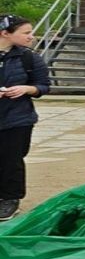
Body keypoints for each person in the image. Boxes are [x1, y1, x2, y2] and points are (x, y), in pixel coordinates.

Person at [0, 15, 52, 221]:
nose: (31, 37)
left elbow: (44, 86)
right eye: (26, 33)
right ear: (5, 33)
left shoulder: (29, 58)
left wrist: (27, 89)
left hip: (17, 118)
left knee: (11, 160)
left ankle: (9, 199)